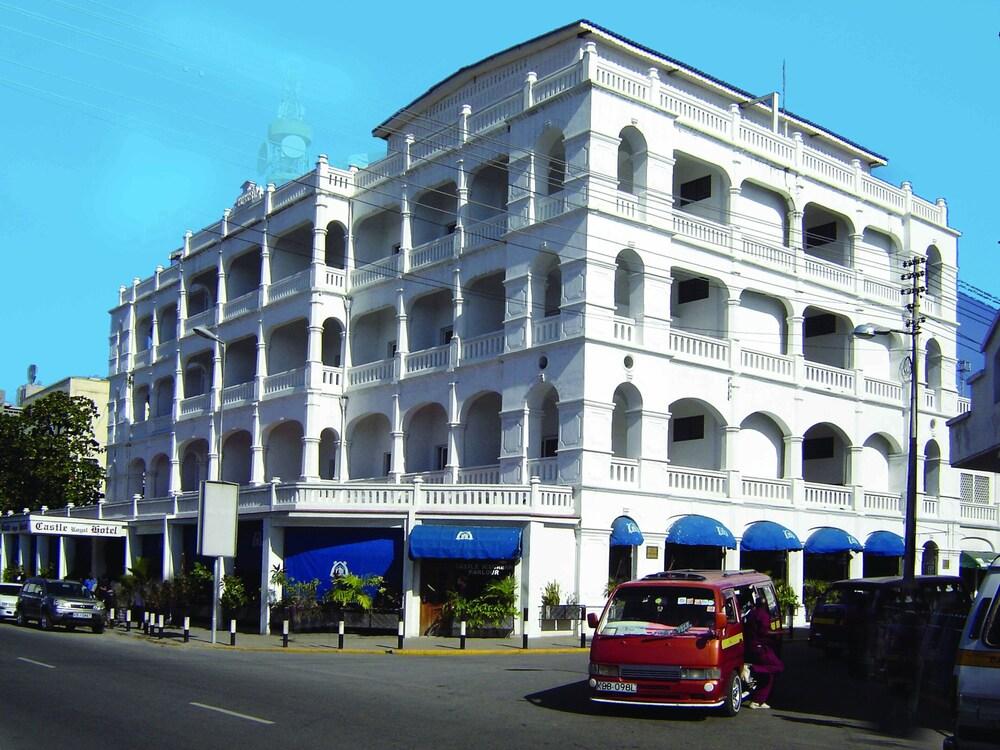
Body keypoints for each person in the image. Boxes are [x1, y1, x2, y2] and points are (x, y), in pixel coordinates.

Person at [744, 595, 784, 709]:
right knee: (775, 667)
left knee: (765, 674)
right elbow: (765, 632)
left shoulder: (750, 614)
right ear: (765, 605)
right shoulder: (763, 615)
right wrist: (779, 633)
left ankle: (759, 699)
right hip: (761, 647)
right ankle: (757, 700)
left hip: (750, 646)